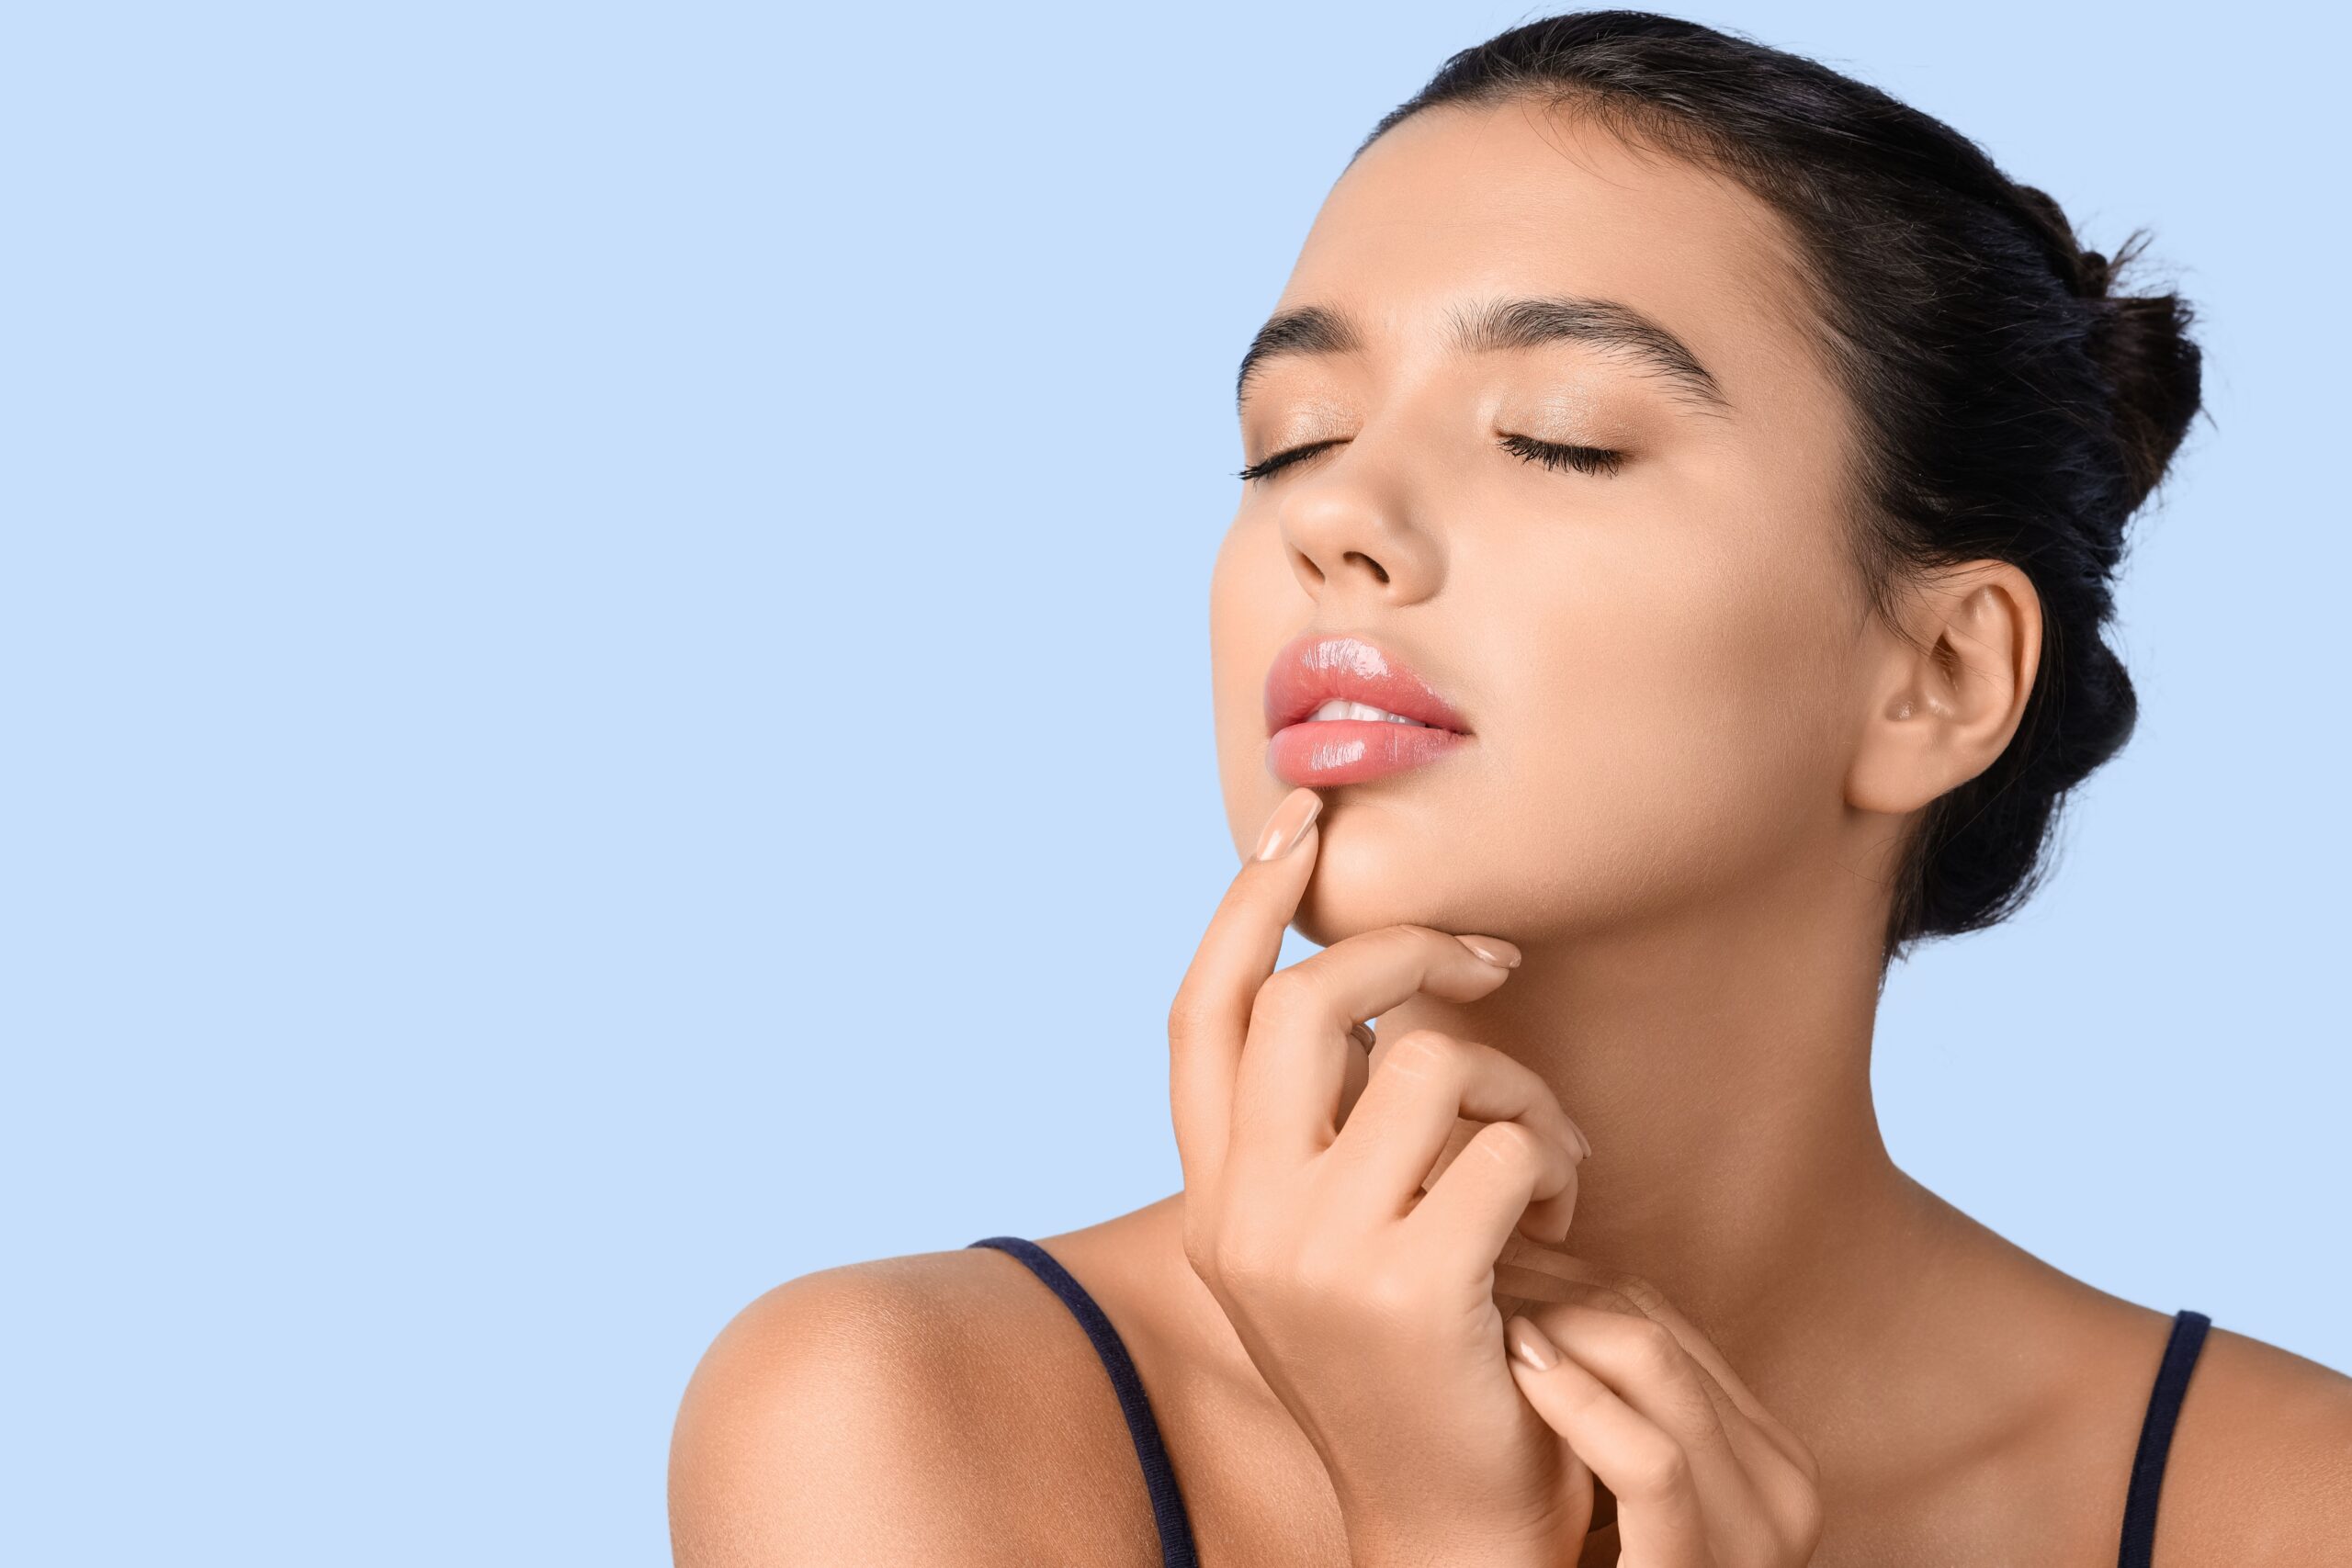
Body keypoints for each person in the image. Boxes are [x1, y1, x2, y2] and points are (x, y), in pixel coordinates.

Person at [668, 11, 2352, 1564]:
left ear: (1940, 675)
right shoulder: (900, 1424)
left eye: (1557, 435)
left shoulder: (2286, 1507)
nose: (1334, 519)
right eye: (1289, 440)